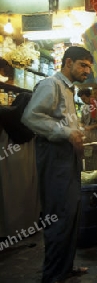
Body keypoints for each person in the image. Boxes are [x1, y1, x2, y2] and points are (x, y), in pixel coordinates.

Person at [21, 46, 93, 283]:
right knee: (59, 215)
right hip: (54, 157)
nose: (86, 71)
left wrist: (77, 134)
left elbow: (63, 124)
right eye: (83, 65)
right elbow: (31, 116)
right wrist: (66, 133)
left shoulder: (70, 91)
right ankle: (53, 275)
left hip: (67, 157)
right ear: (68, 62)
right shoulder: (51, 85)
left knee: (71, 213)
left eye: (89, 67)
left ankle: (65, 267)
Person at [0, 93, 39, 242]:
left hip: (6, 158)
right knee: (25, 194)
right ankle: (25, 227)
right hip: (27, 160)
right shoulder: (33, 118)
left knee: (8, 195)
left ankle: (7, 229)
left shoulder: (4, 115)